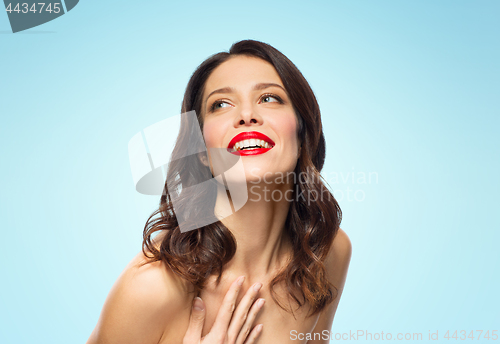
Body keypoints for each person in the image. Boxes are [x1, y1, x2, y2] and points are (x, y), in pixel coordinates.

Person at [87, 39, 352, 344]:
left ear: (303, 133)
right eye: (221, 104)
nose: (247, 114)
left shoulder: (325, 255)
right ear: (200, 149)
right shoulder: (150, 289)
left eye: (269, 98)